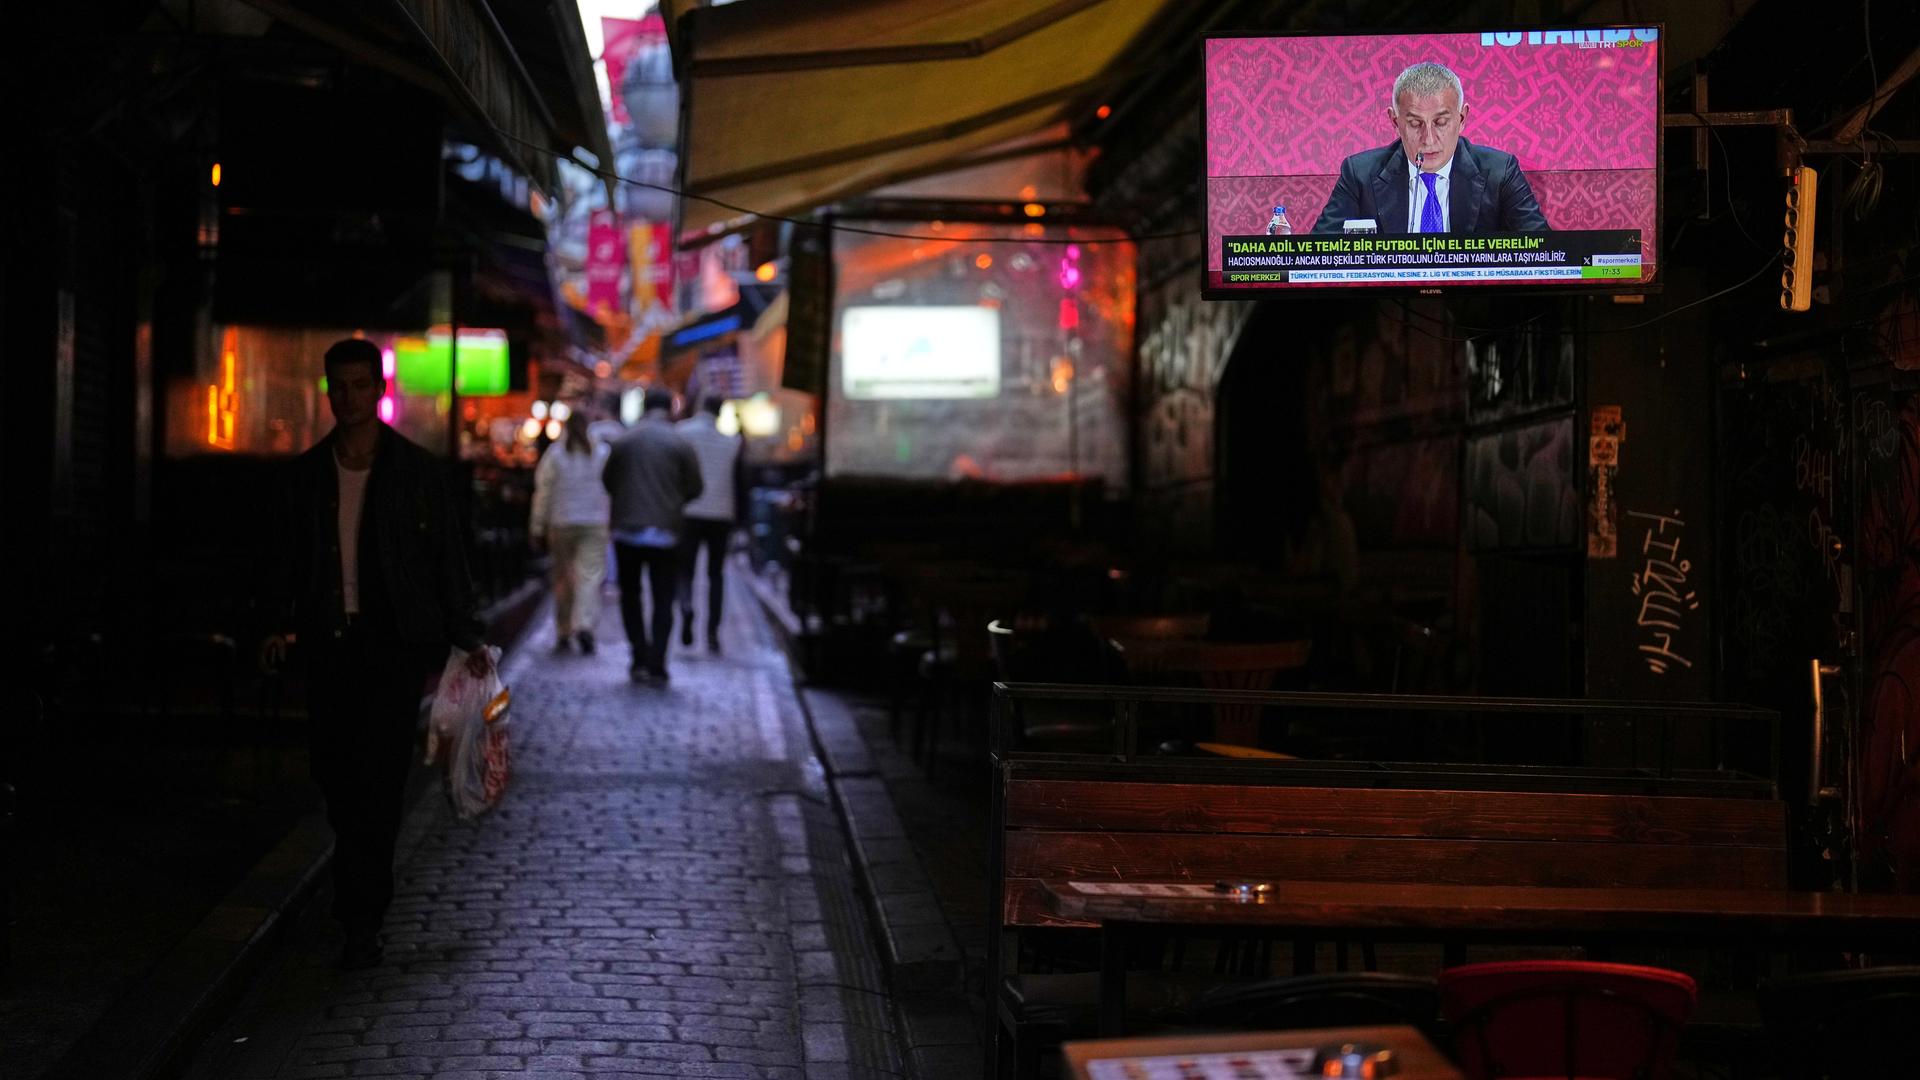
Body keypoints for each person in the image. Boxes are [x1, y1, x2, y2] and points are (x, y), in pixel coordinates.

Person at [258, 338, 490, 970]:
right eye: (341, 387)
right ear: (328, 390)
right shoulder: (308, 476)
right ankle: (359, 883)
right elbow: (288, 558)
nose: (351, 399)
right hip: (330, 642)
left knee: (381, 783)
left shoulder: (416, 475)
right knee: (337, 775)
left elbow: (445, 560)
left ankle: (363, 917)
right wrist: (278, 624)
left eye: (362, 386)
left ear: (378, 391)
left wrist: (466, 635)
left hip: (391, 645)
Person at [1309, 61, 1548, 235]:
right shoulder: (1360, 174)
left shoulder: (1500, 172)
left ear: (1462, 118)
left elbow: (1544, 252)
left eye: (1441, 122)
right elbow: (1317, 255)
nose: (1429, 139)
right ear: (1395, 122)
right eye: (1415, 124)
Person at [603, 387, 703, 684]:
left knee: (631, 595)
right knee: (663, 599)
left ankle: (638, 657)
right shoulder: (680, 442)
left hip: (627, 530)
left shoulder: (625, 440)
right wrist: (672, 501)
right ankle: (658, 662)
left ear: (644, 407)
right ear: (670, 406)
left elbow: (608, 480)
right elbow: (696, 487)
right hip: (667, 532)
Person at [530, 409, 611, 654]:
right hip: (594, 521)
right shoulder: (602, 454)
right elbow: (611, 489)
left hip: (561, 522)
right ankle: (584, 624)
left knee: (563, 578)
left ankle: (564, 628)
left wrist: (537, 525)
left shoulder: (555, 455)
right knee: (590, 576)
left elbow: (543, 491)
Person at [674, 396, 747, 653]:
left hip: (689, 511)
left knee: (686, 570)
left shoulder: (682, 433)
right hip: (721, 513)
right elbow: (740, 484)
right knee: (716, 575)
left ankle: (686, 607)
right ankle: (713, 632)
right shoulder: (732, 442)